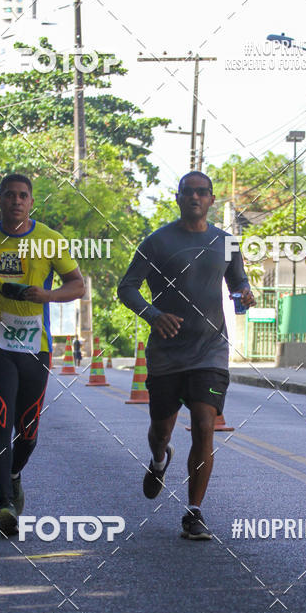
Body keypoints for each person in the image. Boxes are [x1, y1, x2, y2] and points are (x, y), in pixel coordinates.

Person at [118, 170, 254, 541]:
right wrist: (154, 315)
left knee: (205, 425)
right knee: (161, 431)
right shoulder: (157, 242)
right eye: (188, 192)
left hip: (210, 350)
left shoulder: (226, 242)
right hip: (166, 353)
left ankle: (194, 512)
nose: (195, 197)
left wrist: (244, 292)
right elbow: (126, 287)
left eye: (202, 192)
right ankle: (160, 459)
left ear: (211, 199)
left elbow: (237, 281)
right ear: (177, 198)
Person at [0, 173, 85, 537]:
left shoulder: (50, 240)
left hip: (34, 346)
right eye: (9, 195)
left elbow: (76, 285)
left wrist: (48, 296)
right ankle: (4, 506)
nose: (16, 201)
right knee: (0, 420)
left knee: (27, 431)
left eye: (23, 196)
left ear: (31, 202)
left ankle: (14, 474)